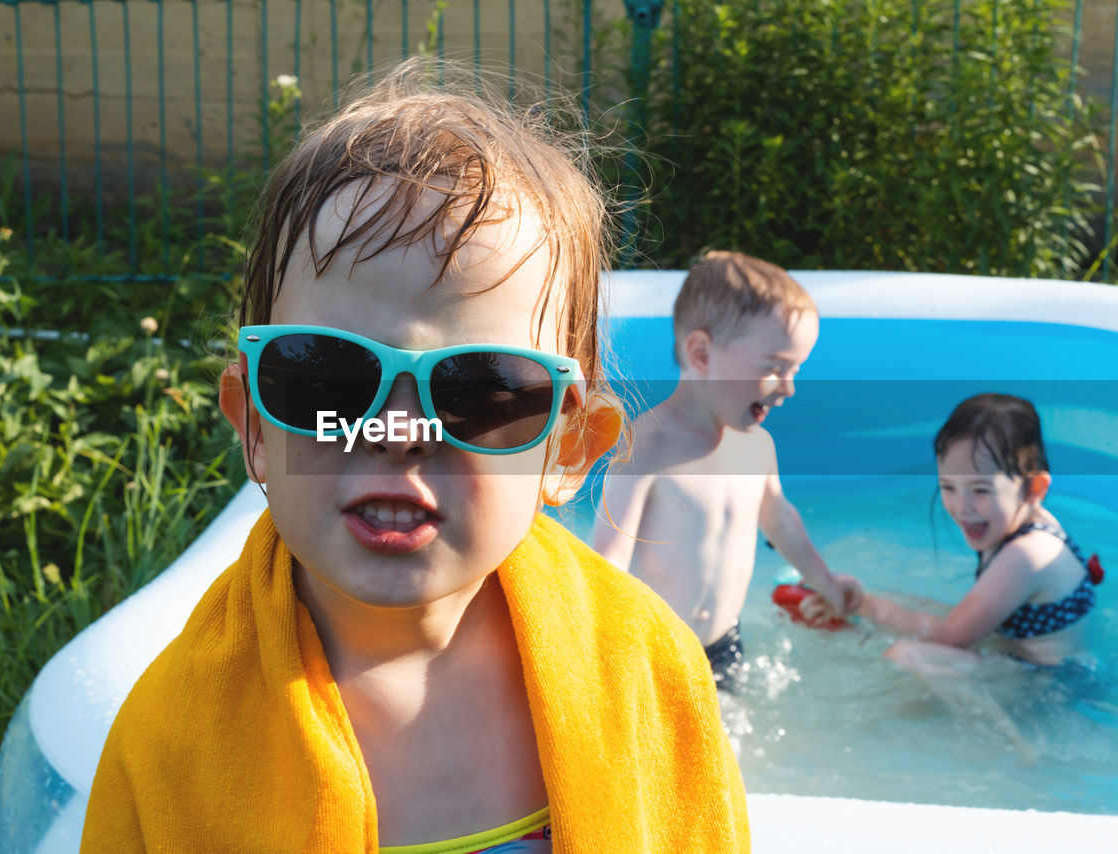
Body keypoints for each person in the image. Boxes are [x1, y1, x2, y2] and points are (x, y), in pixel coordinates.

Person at [80, 61, 749, 853]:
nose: (398, 432)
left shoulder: (643, 672)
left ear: (568, 450)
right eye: (329, 377)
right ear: (255, 425)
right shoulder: (173, 739)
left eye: (483, 390)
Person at [592, 251, 860, 693]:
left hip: (723, 645)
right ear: (701, 353)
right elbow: (607, 564)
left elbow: (782, 522)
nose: (789, 388)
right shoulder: (647, 448)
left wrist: (826, 584)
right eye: (775, 367)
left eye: (795, 370)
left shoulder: (757, 447)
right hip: (654, 655)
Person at [803, 393, 1104, 672]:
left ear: (1033, 488)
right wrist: (864, 600)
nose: (961, 506)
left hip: (1047, 686)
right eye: (948, 487)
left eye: (981, 490)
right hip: (1032, 664)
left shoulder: (1027, 553)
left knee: (908, 654)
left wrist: (869, 607)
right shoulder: (1020, 521)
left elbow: (949, 638)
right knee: (908, 612)